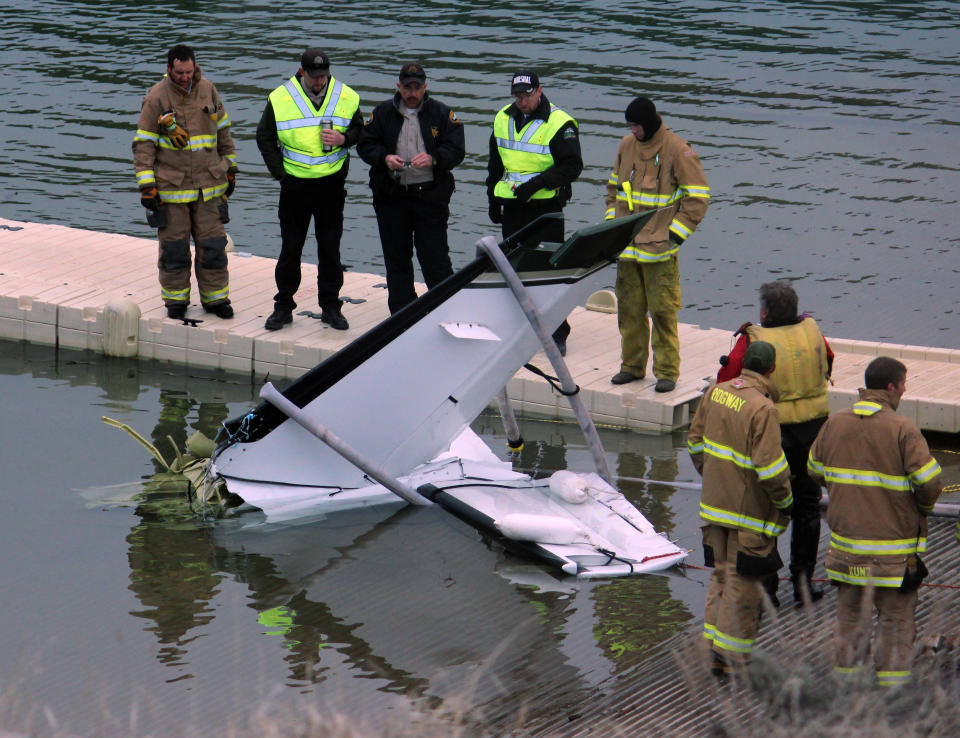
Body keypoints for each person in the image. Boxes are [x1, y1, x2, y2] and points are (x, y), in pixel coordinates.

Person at [808, 356, 942, 687]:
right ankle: (891, 697)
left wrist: (846, 490)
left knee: (851, 620)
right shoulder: (902, 429)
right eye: (903, 384)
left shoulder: (834, 423)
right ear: (892, 387)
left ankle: (847, 694)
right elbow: (929, 484)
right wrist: (921, 509)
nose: (905, 390)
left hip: (845, 553)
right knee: (896, 622)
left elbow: (814, 470)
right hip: (892, 557)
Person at [717, 281, 834, 605]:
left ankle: (768, 586)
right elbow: (828, 360)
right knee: (808, 507)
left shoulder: (753, 339)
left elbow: (727, 382)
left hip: (772, 429)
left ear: (765, 312)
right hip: (813, 430)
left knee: (765, 507)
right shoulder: (812, 332)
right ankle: (803, 585)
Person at [687, 341, 793, 677]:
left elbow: (694, 444)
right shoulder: (764, 409)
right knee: (743, 586)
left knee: (720, 576)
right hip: (747, 516)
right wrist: (786, 503)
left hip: (713, 508)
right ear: (772, 369)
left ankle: (713, 648)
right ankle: (731, 661)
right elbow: (771, 470)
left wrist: (712, 477)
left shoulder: (715, 393)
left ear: (744, 363)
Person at [607, 97, 710, 392]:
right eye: (630, 126)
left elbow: (699, 196)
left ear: (650, 122)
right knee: (629, 311)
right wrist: (612, 232)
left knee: (663, 313)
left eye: (637, 125)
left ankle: (666, 372)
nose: (634, 131)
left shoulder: (678, 149)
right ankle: (631, 367)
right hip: (627, 249)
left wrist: (675, 235)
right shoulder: (626, 146)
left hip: (660, 251)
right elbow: (612, 190)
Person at [256, 48, 363, 331]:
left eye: (323, 76)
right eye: (314, 77)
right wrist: (281, 175)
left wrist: (344, 138)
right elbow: (264, 137)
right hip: (295, 186)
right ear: (302, 72)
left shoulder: (346, 96)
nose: (319, 82)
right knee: (291, 248)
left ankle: (330, 307)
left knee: (330, 249)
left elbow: (361, 131)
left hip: (331, 186)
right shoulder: (281, 97)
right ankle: (283, 307)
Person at [133, 43, 238, 320]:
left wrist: (231, 168)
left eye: (189, 71)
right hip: (172, 190)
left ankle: (216, 300)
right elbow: (144, 145)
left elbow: (224, 130)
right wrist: (147, 186)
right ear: (169, 69)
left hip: (209, 187)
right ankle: (176, 301)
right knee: (174, 250)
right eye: (179, 72)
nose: (185, 77)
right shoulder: (156, 97)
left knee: (214, 247)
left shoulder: (208, 90)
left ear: (194, 67)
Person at [486, 69, 582, 355]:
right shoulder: (503, 118)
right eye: (517, 96)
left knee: (548, 270)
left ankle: (558, 333)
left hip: (545, 207)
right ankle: (520, 328)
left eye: (526, 96)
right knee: (513, 269)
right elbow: (495, 163)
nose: (521, 101)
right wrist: (492, 198)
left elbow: (572, 166)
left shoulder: (559, 123)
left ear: (539, 91)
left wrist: (537, 183)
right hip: (513, 206)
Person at [357, 62, 465, 314]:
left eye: (417, 87)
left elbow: (457, 150)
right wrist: (384, 158)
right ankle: (402, 313)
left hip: (430, 196)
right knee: (397, 259)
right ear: (399, 87)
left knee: (435, 258)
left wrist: (433, 158)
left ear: (425, 87)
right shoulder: (382, 113)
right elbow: (365, 144)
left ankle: (445, 310)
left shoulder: (442, 114)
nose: (412, 93)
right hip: (392, 196)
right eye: (407, 87)